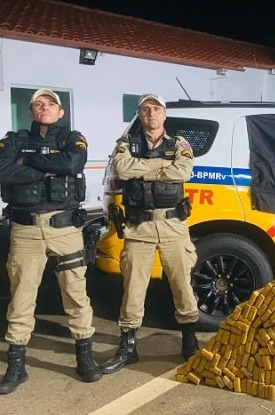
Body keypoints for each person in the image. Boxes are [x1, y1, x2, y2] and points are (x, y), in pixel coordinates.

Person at [0, 88, 101, 394]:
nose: (45, 107)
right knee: (21, 297)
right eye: (38, 104)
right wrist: (44, 170)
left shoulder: (72, 139)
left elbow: (71, 164)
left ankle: (85, 357)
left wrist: (27, 163)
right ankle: (16, 366)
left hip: (65, 229)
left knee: (75, 294)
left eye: (51, 104)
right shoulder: (14, 140)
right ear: (31, 111)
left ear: (60, 112)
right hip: (25, 229)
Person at [100, 93, 199, 374]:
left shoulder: (178, 144)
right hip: (138, 227)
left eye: (156, 108)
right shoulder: (126, 143)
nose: (151, 113)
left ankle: (189, 341)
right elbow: (122, 168)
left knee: (182, 284)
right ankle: (128, 347)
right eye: (145, 109)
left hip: (172, 226)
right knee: (133, 288)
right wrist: (160, 165)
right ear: (140, 114)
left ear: (164, 114)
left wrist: (141, 169)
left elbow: (183, 172)